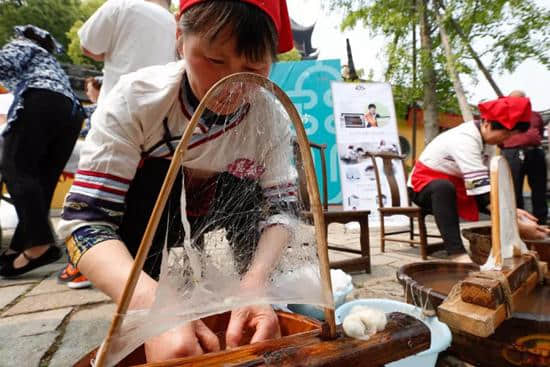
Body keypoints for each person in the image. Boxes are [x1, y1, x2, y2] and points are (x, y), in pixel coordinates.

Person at [57, 0, 294, 362]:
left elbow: (283, 210)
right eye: (214, 60)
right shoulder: (137, 99)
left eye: (253, 66)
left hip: (230, 229)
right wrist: (154, 306)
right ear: (180, 39)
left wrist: (256, 283)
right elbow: (85, 224)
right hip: (145, 229)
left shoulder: (270, 115)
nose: (230, 82)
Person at [408, 96, 549, 260]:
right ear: (487, 123)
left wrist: (514, 212)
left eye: (511, 135)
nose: (506, 140)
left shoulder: (487, 141)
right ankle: (456, 253)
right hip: (423, 187)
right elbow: (482, 194)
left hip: (460, 187)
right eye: (505, 134)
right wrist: (514, 223)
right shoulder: (465, 139)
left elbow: (484, 187)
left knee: (504, 207)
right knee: (443, 188)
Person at [0, 25, 84, 277]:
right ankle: (20, 246)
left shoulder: (22, 46)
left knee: (16, 167)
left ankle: (39, 243)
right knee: (42, 180)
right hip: (71, 110)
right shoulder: (49, 61)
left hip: (41, 98)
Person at [78, 0, 176, 104]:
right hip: (157, 114)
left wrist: (114, 52)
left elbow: (87, 47)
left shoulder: (120, 6)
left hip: (113, 110)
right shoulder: (179, 28)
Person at [57, 76, 102, 289]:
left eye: (90, 88)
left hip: (96, 160)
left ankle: (81, 266)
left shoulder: (100, 107)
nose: (89, 92)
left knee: (82, 205)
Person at [500, 90, 547, 225]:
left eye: (521, 99)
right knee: (514, 188)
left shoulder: (535, 115)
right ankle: (518, 221)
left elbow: (540, 131)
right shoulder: (504, 114)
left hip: (535, 152)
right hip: (512, 152)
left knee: (539, 188)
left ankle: (541, 221)